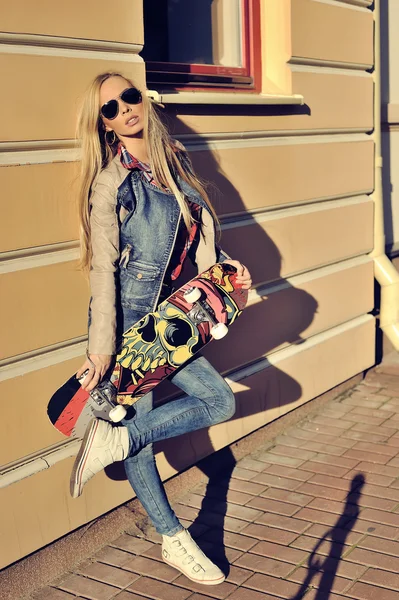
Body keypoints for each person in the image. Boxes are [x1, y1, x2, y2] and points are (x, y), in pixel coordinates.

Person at [70, 71, 252, 585]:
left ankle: (116, 440)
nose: (126, 109)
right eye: (112, 108)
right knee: (145, 439)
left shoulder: (177, 160)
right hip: (132, 325)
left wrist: (226, 272)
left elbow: (197, 241)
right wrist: (101, 348)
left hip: (177, 321)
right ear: (105, 125)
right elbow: (103, 269)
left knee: (219, 401)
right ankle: (173, 538)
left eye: (131, 97)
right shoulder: (112, 183)